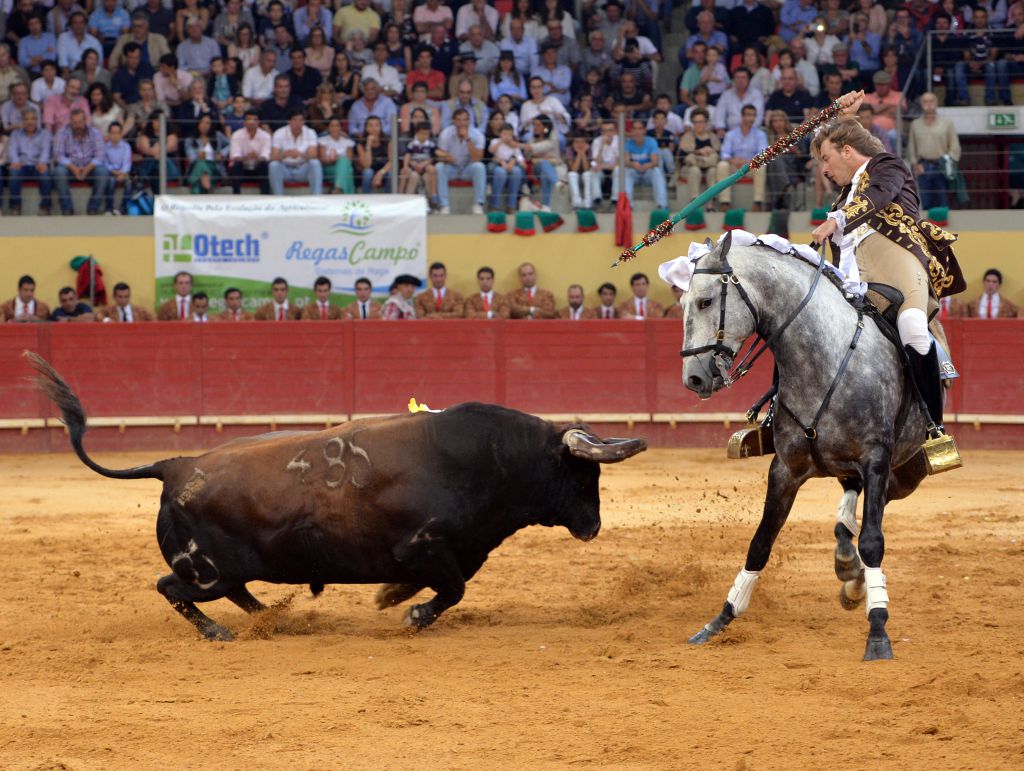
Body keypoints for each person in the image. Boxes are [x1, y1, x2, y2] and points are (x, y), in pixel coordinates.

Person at [810, 108, 966, 459]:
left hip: (897, 267)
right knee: (798, 321)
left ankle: (934, 429)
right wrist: (838, 122)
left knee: (912, 325)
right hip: (851, 278)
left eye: (827, 157)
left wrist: (837, 221)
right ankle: (775, 419)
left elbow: (876, 197)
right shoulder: (845, 194)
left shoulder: (888, 167)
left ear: (847, 151)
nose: (823, 168)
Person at [907, 92, 961, 211]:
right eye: (925, 101)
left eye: (931, 101)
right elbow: (912, 147)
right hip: (923, 167)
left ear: (936, 104)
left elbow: (955, 146)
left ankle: (943, 228)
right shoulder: (915, 125)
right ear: (921, 104)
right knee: (926, 203)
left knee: (943, 201)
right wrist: (915, 164)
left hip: (941, 166)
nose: (928, 104)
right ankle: (927, 229)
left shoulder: (947, 124)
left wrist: (949, 164)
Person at [53, 108, 108, 215]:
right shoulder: (62, 132)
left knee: (103, 172)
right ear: (70, 122)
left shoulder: (95, 133)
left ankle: (93, 208)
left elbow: (100, 155)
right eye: (75, 123)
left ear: (85, 121)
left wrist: (87, 169)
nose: (78, 126)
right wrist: (73, 168)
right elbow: (58, 155)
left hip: (90, 169)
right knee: (59, 172)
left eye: (80, 122)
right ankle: (67, 208)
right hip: (70, 169)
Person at [715, 104, 767, 211]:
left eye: (753, 115)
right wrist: (733, 160)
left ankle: (758, 202)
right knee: (722, 165)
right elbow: (724, 153)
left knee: (761, 166)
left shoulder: (760, 134)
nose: (751, 118)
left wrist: (747, 162)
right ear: (742, 117)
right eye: (748, 115)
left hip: (751, 167)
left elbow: (763, 154)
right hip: (735, 167)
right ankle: (725, 202)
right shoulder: (731, 134)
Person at [435, 107, 486, 214]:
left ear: (469, 120)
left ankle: (478, 204)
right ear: (454, 121)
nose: (462, 123)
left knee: (479, 167)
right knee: (439, 167)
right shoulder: (446, 133)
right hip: (452, 167)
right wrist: (446, 156)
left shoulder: (477, 134)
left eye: (465, 120)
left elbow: (478, 158)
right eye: (459, 120)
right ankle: (444, 205)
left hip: (468, 168)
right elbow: (438, 153)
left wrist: (468, 139)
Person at [6, 106, 53, 216]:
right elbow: (12, 150)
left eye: (33, 119)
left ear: (37, 120)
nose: (30, 122)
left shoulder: (45, 134)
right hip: (21, 165)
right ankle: (15, 206)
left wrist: (42, 162)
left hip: (38, 165)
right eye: (26, 119)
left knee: (44, 173)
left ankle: (45, 207)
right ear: (22, 121)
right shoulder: (15, 134)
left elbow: (46, 151)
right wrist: (15, 161)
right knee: (13, 172)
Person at [269, 109, 322, 195]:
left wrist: (301, 154)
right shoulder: (279, 133)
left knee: (315, 163)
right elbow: (273, 157)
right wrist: (285, 155)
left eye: (301, 120)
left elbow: (314, 155)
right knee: (273, 165)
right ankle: (278, 197)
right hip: (285, 169)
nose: (298, 123)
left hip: (302, 169)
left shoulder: (310, 132)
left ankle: (316, 196)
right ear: (289, 121)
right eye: (295, 120)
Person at [678, 107, 720, 209]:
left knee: (712, 170)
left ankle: (710, 204)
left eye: (701, 122)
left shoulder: (713, 137)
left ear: (706, 122)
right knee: (694, 169)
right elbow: (683, 156)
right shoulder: (687, 136)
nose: (698, 125)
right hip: (690, 166)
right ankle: (695, 202)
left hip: (708, 165)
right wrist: (698, 152)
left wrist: (709, 151)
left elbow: (718, 153)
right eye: (695, 122)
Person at [622, 118, 667, 209]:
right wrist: (633, 164)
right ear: (631, 131)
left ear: (644, 130)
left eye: (640, 128)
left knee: (657, 172)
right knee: (627, 173)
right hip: (635, 173)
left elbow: (655, 162)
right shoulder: (628, 143)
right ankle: (628, 206)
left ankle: (661, 205)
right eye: (634, 129)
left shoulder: (651, 142)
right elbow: (626, 161)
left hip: (647, 173)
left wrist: (646, 166)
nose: (637, 131)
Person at [523, 114, 564, 211]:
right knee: (543, 163)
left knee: (545, 173)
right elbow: (528, 156)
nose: (535, 128)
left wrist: (538, 157)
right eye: (534, 125)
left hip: (551, 166)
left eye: (538, 125)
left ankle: (546, 206)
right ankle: (556, 182)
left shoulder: (553, 138)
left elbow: (554, 156)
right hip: (535, 168)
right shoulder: (531, 139)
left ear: (545, 126)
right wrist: (541, 157)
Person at [228, 108, 271, 193]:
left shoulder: (265, 136)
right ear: (244, 122)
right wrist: (246, 157)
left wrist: (257, 158)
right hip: (242, 169)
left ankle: (265, 197)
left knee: (264, 165)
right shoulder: (236, 135)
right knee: (236, 166)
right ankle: (236, 197)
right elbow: (235, 156)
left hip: (257, 168)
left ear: (258, 122)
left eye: (254, 120)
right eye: (249, 119)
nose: (251, 122)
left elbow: (265, 156)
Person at [99, 120, 131, 212]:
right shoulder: (105, 147)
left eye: (117, 133)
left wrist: (122, 173)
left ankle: (123, 208)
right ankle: (109, 208)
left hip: (123, 172)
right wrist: (113, 171)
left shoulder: (126, 146)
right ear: (109, 134)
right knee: (111, 181)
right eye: (113, 133)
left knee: (129, 183)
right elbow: (104, 162)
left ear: (121, 134)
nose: (115, 136)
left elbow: (127, 162)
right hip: (110, 172)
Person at [320, 117, 356, 194]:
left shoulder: (347, 142)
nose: (334, 128)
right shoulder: (323, 140)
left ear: (341, 127)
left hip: (344, 168)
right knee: (347, 170)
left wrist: (340, 159)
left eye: (337, 126)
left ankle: (337, 188)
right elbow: (323, 160)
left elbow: (350, 159)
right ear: (328, 128)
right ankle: (346, 193)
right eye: (332, 126)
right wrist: (333, 159)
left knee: (344, 163)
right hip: (329, 168)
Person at [356, 114, 392, 193]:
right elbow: (366, 165)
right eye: (371, 126)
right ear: (366, 128)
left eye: (377, 125)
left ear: (380, 127)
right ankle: (367, 198)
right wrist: (368, 144)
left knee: (391, 174)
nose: (374, 128)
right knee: (367, 172)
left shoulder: (388, 140)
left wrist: (380, 173)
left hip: (384, 169)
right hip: (370, 169)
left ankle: (389, 198)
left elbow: (392, 161)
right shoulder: (361, 144)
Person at [565, 133, 594, 210]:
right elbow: (574, 169)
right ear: (573, 143)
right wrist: (579, 154)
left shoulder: (589, 149)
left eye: (582, 142)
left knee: (588, 174)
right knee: (572, 174)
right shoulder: (569, 149)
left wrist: (583, 153)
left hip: (585, 175)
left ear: (586, 143)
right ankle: (577, 202)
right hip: (575, 176)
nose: (579, 144)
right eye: (577, 142)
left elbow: (586, 168)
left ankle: (588, 203)